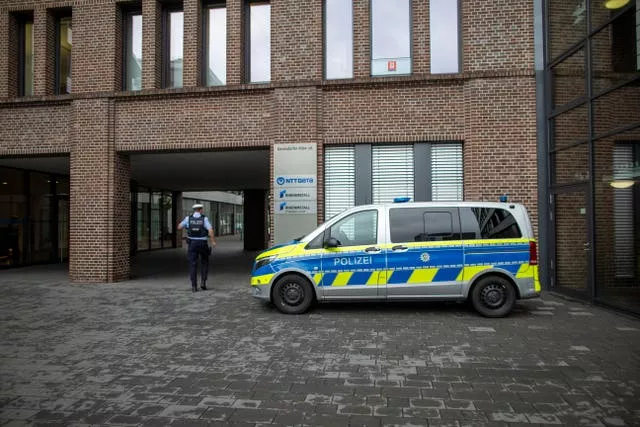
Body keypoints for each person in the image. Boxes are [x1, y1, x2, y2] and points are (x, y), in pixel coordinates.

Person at [178, 203, 216, 292]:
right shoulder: (204, 219)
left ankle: (194, 286)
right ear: (201, 209)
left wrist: (188, 227)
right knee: (204, 262)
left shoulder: (188, 218)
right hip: (202, 243)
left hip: (192, 244)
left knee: (192, 264)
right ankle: (203, 283)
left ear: (194, 210)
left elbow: (179, 227)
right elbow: (210, 230)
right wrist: (213, 241)